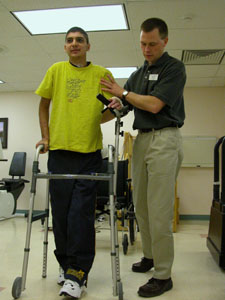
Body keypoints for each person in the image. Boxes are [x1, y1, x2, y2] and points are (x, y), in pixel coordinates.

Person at [101, 18, 186, 298]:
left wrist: (123, 93)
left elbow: (153, 104)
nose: (146, 49)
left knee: (160, 210)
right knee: (142, 206)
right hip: (141, 140)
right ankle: (150, 256)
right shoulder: (138, 73)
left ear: (165, 41)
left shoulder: (174, 68)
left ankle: (163, 275)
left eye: (152, 44)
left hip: (164, 138)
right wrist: (118, 103)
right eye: (142, 44)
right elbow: (127, 103)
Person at [35, 26, 119, 299]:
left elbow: (110, 110)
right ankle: (65, 264)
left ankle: (77, 274)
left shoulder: (101, 74)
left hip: (89, 156)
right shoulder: (56, 71)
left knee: (80, 216)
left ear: (88, 46)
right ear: (65, 47)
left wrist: (102, 115)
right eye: (69, 40)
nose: (74, 44)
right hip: (59, 154)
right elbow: (43, 105)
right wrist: (46, 137)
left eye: (79, 40)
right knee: (59, 216)